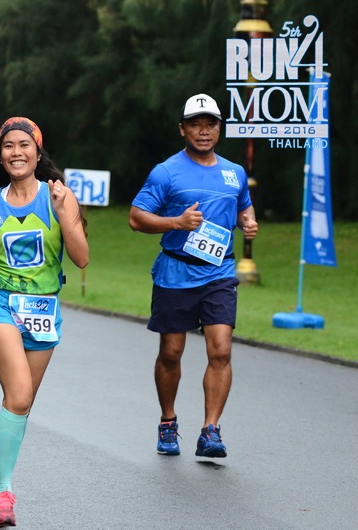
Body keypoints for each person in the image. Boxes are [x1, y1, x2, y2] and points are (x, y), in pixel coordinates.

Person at [0, 117, 89, 527]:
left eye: (25, 145)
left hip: (43, 310)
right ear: (0, 155)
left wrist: (61, 212)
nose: (16, 152)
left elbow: (81, 258)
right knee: (19, 393)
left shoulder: (60, 197)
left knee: (21, 403)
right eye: (9, 146)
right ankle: (3, 493)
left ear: (38, 153)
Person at [128, 93, 258, 459]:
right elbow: (136, 218)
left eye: (210, 124)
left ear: (219, 129)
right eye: (195, 124)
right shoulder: (166, 172)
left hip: (219, 272)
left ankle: (210, 430)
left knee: (221, 350)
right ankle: (168, 421)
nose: (203, 131)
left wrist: (248, 222)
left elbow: (244, 208)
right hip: (176, 272)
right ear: (182, 129)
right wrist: (176, 222)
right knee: (171, 353)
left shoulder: (234, 172)